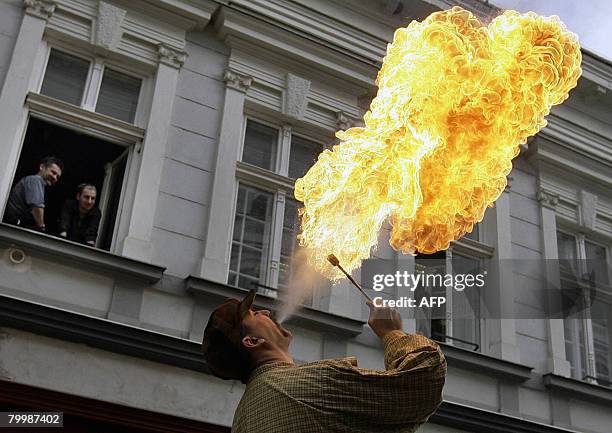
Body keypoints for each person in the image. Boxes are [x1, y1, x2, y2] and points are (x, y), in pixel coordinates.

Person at [202, 290, 446, 433]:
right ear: (252, 341)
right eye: (254, 314)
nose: (265, 312)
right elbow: (422, 379)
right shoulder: (304, 386)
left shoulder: (242, 420)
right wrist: (391, 332)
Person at [3, 156, 64, 232]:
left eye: (57, 177)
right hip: (10, 226)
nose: (55, 177)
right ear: (42, 167)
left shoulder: (35, 182)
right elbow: (37, 208)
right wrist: (42, 229)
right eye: (53, 172)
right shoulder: (35, 180)